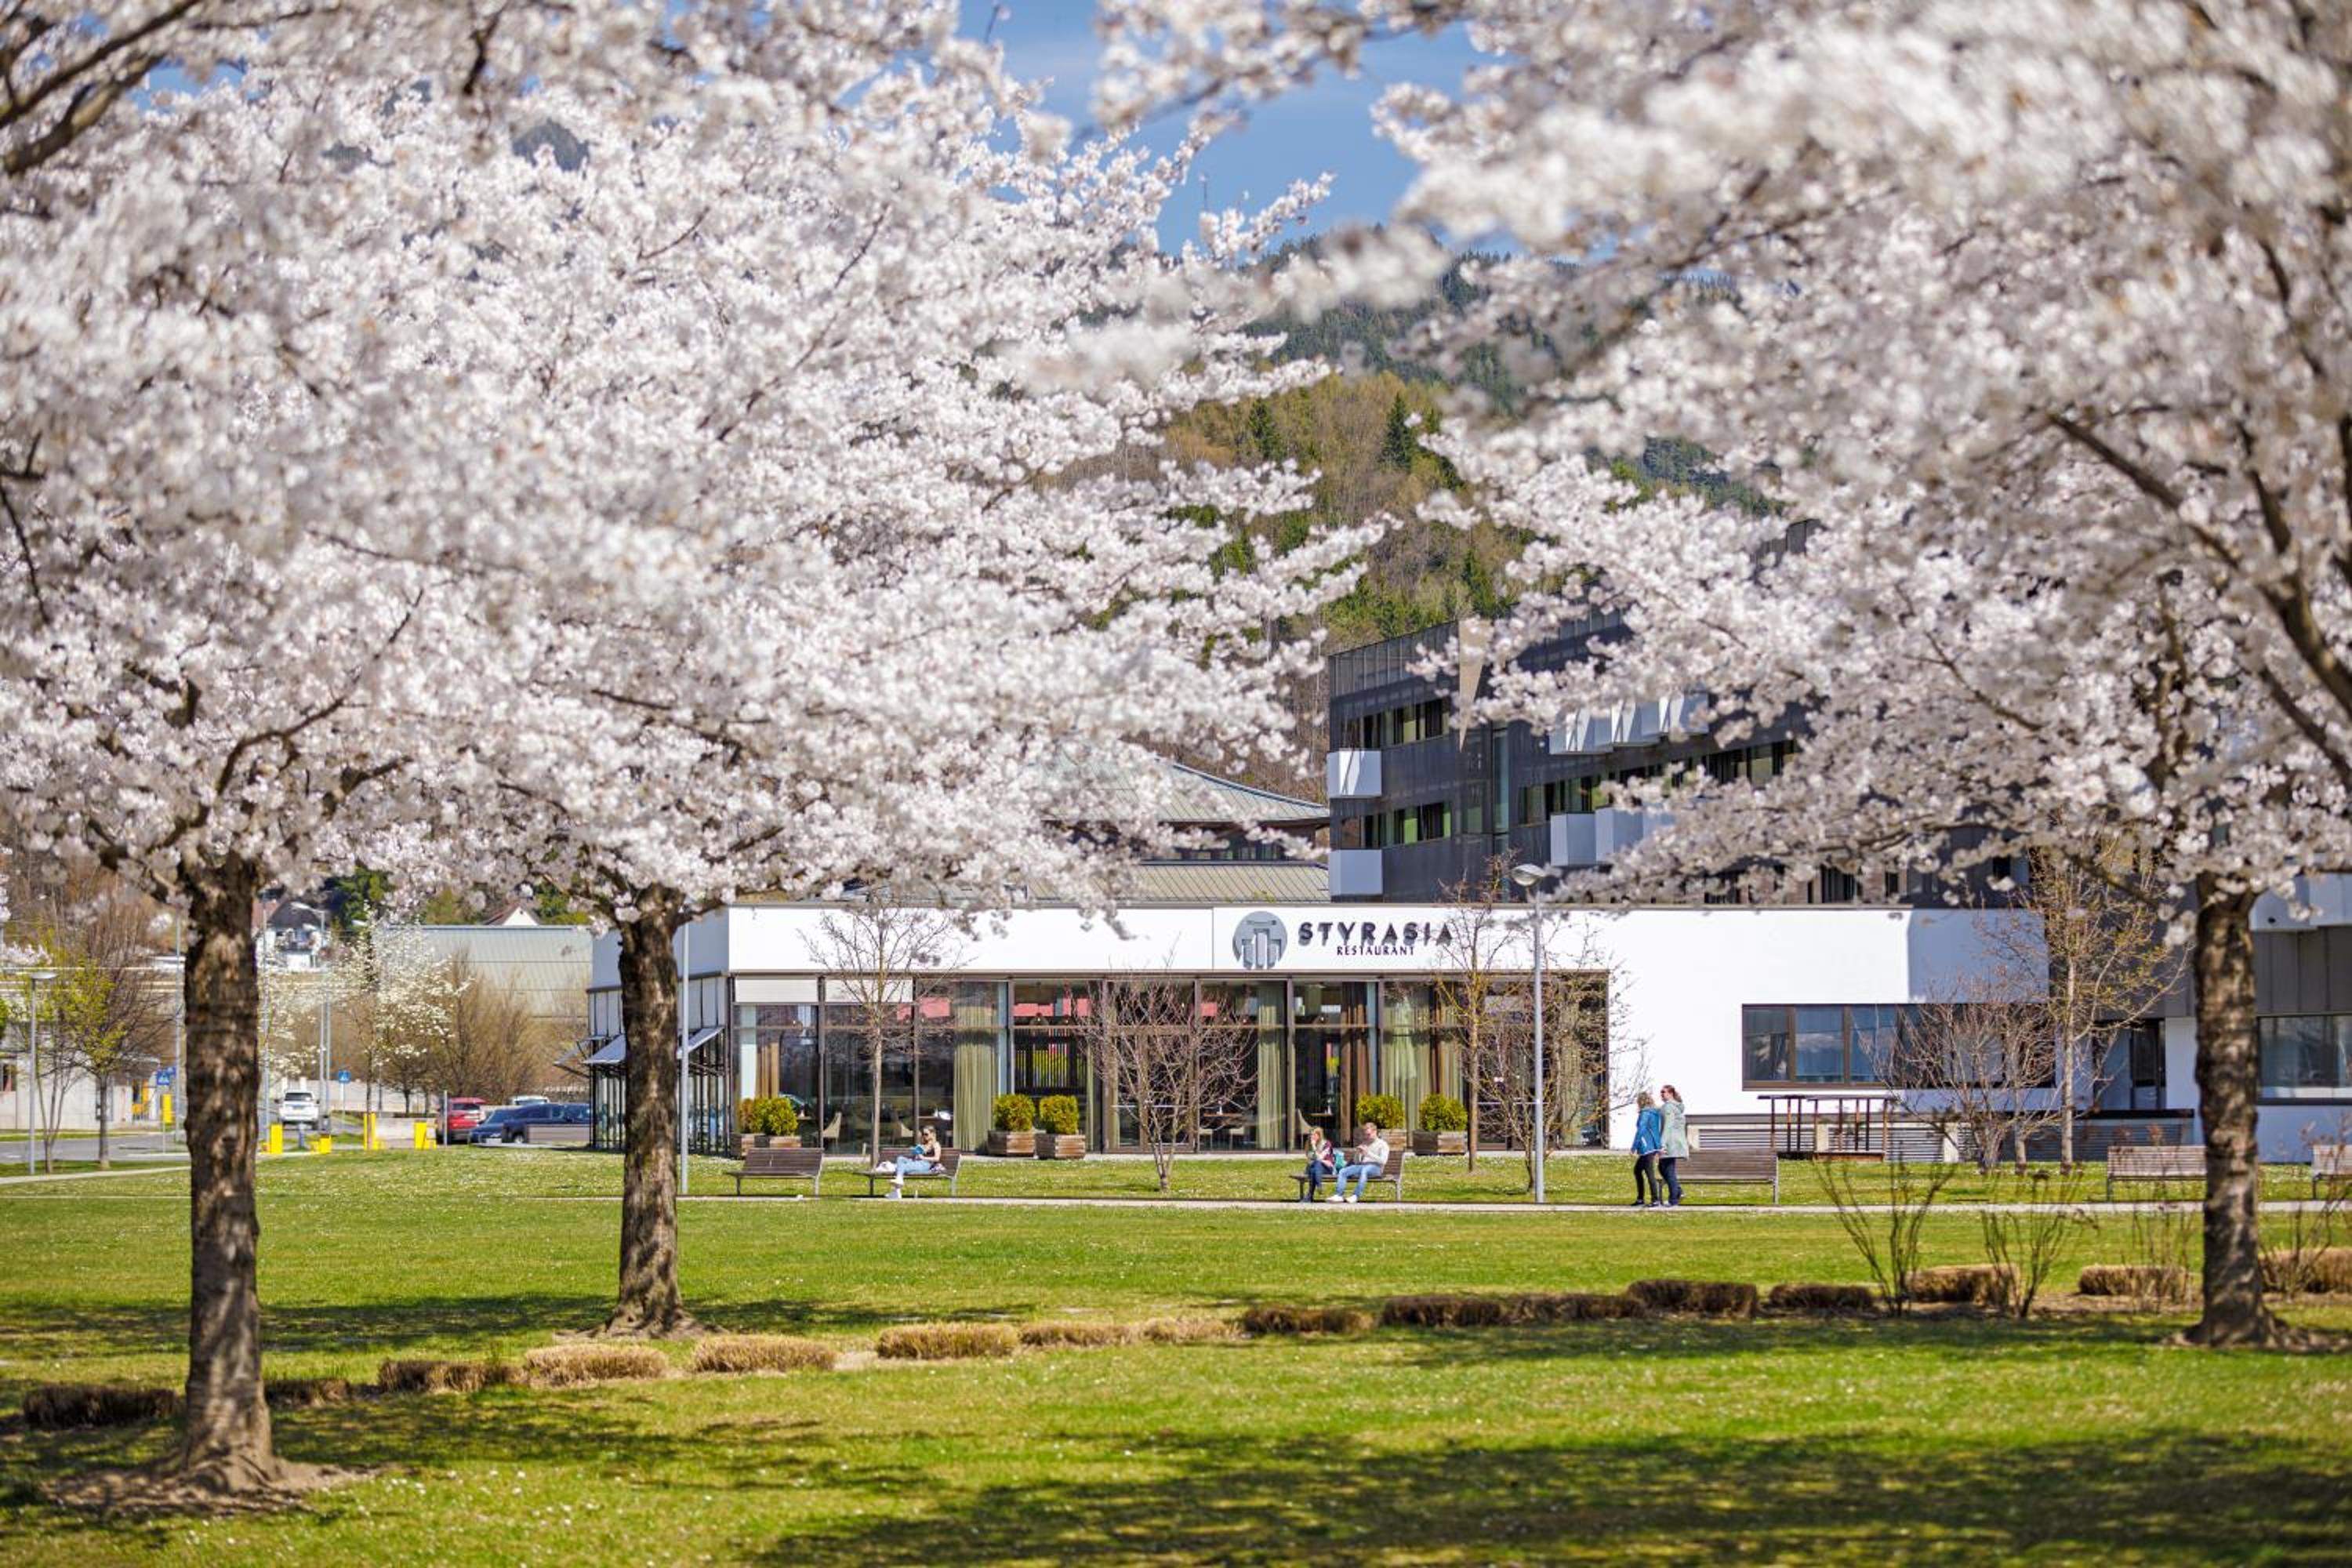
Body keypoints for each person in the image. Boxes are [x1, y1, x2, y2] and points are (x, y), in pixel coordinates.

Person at [1329, 1121, 1390, 1204]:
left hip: (1376, 1168)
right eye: (1365, 1135)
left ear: (1375, 1132)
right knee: (1343, 1171)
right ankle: (1338, 1195)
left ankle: (1356, 1195)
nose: (1366, 1137)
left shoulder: (1383, 1144)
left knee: (1365, 1170)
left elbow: (1383, 1161)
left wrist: (1368, 1153)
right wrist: (1358, 1153)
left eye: (1368, 1134)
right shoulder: (1365, 1143)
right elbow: (1357, 1162)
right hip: (1362, 1166)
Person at [880, 1125, 942, 1199]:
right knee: (900, 1159)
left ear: (932, 1134)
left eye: (926, 1134)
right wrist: (917, 1152)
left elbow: (937, 1158)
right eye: (923, 1134)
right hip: (917, 1162)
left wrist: (924, 1158)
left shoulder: (936, 1145)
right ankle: (898, 1183)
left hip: (925, 1164)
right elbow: (917, 1156)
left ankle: (896, 1190)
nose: (924, 1136)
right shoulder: (924, 1144)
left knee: (902, 1167)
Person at [1657, 1083, 1687, 1208]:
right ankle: (1678, 1191)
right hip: (1673, 1142)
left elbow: (1668, 1126)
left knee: (1668, 1171)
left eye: (1663, 1092)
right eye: (1661, 1092)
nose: (1661, 1094)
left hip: (1671, 1143)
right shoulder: (1673, 1107)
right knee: (1663, 1168)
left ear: (1671, 1094)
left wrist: (1662, 1144)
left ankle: (1674, 1200)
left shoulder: (1669, 1107)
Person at [1632, 1092, 1664, 1208]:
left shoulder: (1645, 1114)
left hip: (1646, 1147)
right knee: (1637, 1170)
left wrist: (1634, 1147)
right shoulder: (1655, 1113)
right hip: (1653, 1146)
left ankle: (1655, 1200)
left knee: (1649, 1173)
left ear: (1641, 1101)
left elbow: (1641, 1130)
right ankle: (1641, 1198)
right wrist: (1658, 1146)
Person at [1298, 1126, 1336, 1202]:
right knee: (1315, 1166)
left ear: (1319, 1135)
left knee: (1316, 1166)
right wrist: (1313, 1147)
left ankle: (1309, 1196)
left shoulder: (1327, 1144)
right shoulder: (1308, 1144)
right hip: (1313, 1167)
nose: (1312, 1137)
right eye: (1311, 1135)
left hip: (1327, 1168)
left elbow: (1319, 1158)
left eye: (1314, 1135)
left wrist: (1314, 1147)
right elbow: (1309, 1159)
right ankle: (1319, 1185)